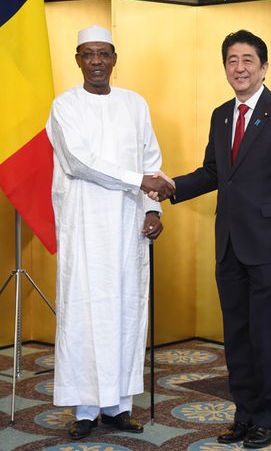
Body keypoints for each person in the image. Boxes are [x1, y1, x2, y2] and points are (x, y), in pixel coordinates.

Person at [156, 30, 271, 448]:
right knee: (238, 337)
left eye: (248, 60)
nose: (239, 68)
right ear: (224, 67)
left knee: (266, 336)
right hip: (229, 244)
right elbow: (213, 171)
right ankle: (243, 414)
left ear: (263, 68)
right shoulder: (221, 114)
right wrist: (173, 185)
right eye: (231, 60)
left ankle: (267, 417)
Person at [46, 25, 175, 440]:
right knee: (85, 314)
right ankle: (85, 410)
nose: (97, 61)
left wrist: (154, 208)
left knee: (124, 312)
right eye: (88, 54)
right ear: (78, 60)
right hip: (84, 228)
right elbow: (79, 162)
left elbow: (152, 158)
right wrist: (138, 181)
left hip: (126, 227)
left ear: (115, 59)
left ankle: (119, 406)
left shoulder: (135, 104)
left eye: (104, 53)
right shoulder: (64, 105)